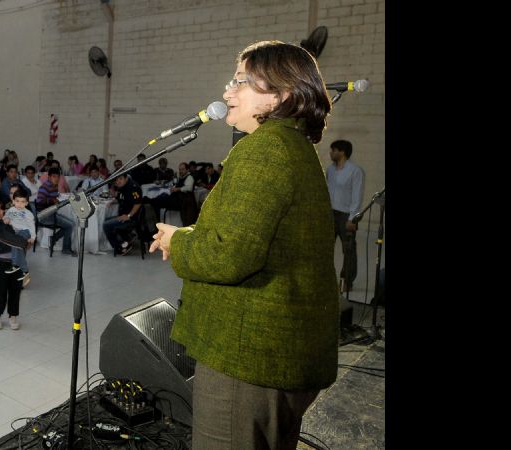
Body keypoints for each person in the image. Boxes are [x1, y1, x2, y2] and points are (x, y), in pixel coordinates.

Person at [149, 40, 339, 450]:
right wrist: (187, 235)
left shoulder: (264, 150)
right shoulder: (293, 147)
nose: (226, 92)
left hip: (248, 359)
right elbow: (255, 241)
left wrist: (178, 242)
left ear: (282, 95)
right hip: (280, 354)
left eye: (241, 82)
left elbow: (230, 255)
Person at [326, 139, 365, 293]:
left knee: (348, 250)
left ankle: (346, 281)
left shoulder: (355, 171)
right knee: (326, 247)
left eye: (333, 150)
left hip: (345, 216)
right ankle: (326, 278)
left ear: (342, 152)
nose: (331, 153)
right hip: (330, 213)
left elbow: (357, 196)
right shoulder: (330, 169)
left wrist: (352, 219)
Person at [0, 197, 28, 330]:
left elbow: (24, 232)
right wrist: (21, 242)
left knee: (15, 289)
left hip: (16, 261)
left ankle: (13, 315)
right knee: (0, 290)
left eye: (1, 209)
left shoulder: (8, 223)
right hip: (1, 261)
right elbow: (5, 239)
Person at [103, 175, 142, 256]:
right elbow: (120, 197)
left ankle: (121, 248)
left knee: (106, 225)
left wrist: (128, 216)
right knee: (106, 220)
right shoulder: (122, 187)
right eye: (116, 180)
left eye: (120, 179)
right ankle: (126, 239)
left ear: (126, 178)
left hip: (131, 218)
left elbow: (137, 204)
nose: (118, 182)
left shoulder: (133, 187)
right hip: (123, 215)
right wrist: (113, 201)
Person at [3, 189, 35, 286]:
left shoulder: (28, 213)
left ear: (26, 203)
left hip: (25, 232)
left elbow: (32, 226)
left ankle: (15, 264)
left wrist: (33, 237)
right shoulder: (10, 210)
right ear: (13, 201)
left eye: (22, 202)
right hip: (14, 232)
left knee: (16, 243)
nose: (19, 204)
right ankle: (24, 271)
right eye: (17, 201)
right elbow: (5, 217)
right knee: (17, 246)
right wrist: (6, 219)